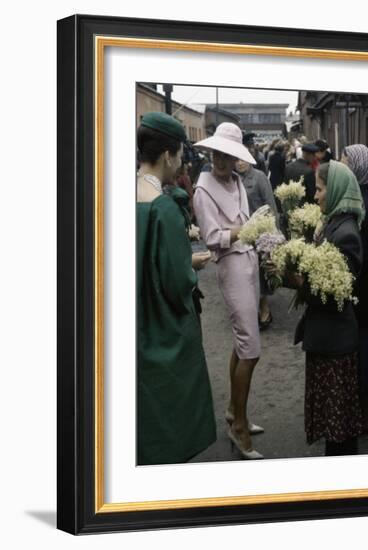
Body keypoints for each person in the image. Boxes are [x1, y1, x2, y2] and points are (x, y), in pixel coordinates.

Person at [136, 112, 216, 465]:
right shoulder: (163, 209)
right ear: (167, 155)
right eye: (181, 154)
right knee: (169, 419)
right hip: (161, 325)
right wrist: (191, 266)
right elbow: (176, 281)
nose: (182, 161)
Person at [193, 122, 264, 460]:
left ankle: (235, 412)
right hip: (231, 265)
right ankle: (239, 425)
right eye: (217, 154)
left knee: (242, 340)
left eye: (228, 155)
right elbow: (211, 237)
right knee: (251, 348)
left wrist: (260, 236)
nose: (221, 161)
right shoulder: (202, 190)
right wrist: (241, 231)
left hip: (249, 260)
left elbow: (248, 224)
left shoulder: (238, 182)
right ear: (209, 153)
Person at [290, 161, 365, 456]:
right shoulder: (334, 222)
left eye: (320, 189)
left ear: (335, 191)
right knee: (336, 426)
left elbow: (334, 295)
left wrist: (296, 280)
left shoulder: (345, 233)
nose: (315, 196)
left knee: (340, 431)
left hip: (335, 342)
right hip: (328, 339)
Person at [341, 144, 368, 434]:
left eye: (345, 162)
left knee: (363, 352)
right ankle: (359, 412)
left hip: (362, 294)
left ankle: (362, 415)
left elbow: (363, 256)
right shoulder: (361, 199)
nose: (341, 165)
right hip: (362, 293)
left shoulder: (364, 206)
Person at [235, 158, 279, 330]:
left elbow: (271, 204)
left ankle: (264, 308)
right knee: (247, 273)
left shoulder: (259, 177)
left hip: (260, 232)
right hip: (241, 233)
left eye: (242, 160)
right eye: (236, 160)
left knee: (260, 271)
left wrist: (274, 233)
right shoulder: (234, 179)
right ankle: (253, 309)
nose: (239, 163)